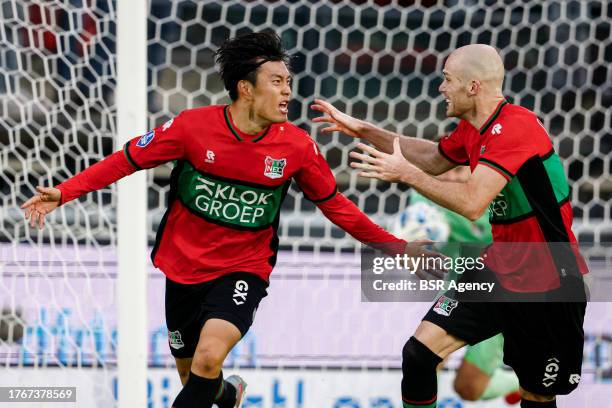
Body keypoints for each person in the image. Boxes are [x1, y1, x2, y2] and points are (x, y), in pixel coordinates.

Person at [21, 31, 440, 408]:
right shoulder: (192, 128)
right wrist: (65, 192)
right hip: (181, 268)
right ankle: (229, 394)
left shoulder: (296, 147)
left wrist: (397, 248)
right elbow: (128, 159)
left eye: (289, 83)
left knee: (207, 357)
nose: (287, 93)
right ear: (245, 88)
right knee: (198, 380)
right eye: (277, 82)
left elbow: (336, 205)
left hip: (244, 268)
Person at [312, 44, 587, 408]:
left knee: (537, 393)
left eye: (447, 79)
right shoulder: (474, 129)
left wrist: (406, 175)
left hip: (549, 278)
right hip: (499, 268)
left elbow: (473, 204)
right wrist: (362, 129)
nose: (441, 88)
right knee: (419, 354)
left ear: (472, 86)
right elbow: (432, 158)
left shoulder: (515, 128)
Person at [392, 167, 520, 404]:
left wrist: (449, 222)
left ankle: (521, 384)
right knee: (421, 356)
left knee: (468, 388)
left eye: (457, 170)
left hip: (495, 293)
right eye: (441, 171)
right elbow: (410, 228)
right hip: (455, 288)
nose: (448, 176)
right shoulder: (424, 196)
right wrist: (407, 246)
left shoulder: (490, 198)